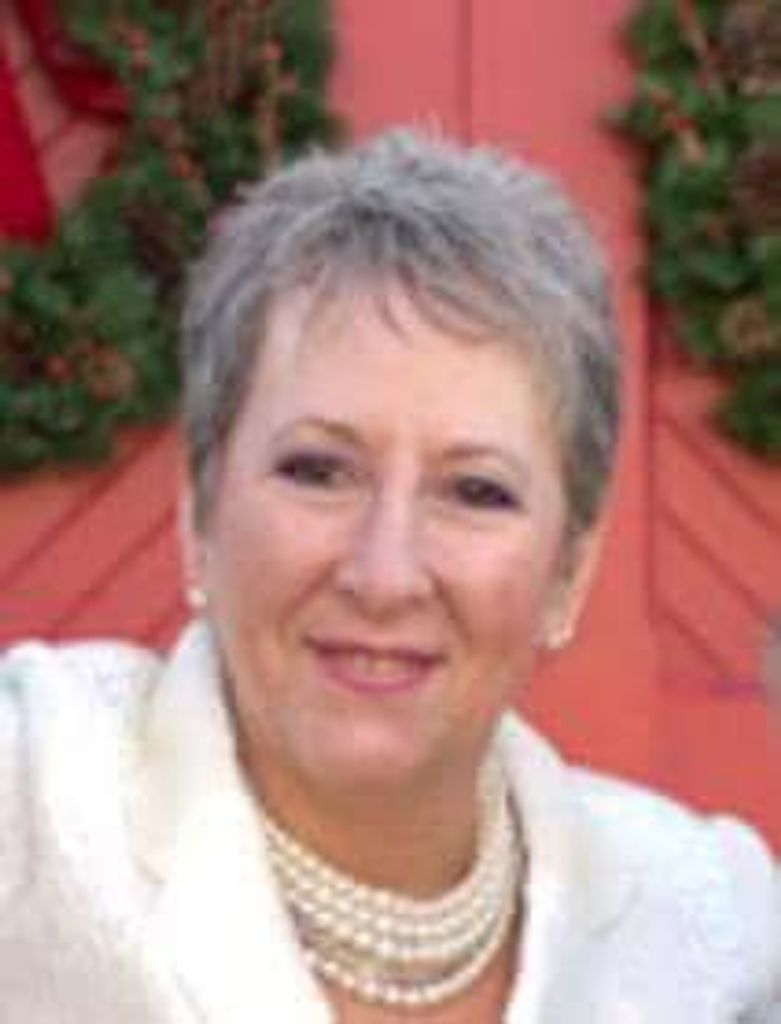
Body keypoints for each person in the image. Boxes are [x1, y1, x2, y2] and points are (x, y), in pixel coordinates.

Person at [0, 129, 778, 1023]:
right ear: (198, 515)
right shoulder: (33, 803)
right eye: (318, 471)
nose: (385, 574)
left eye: (475, 491)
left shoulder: (709, 926)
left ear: (569, 570)